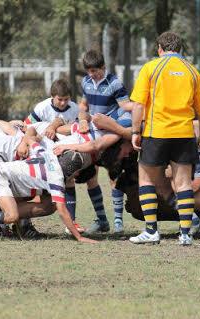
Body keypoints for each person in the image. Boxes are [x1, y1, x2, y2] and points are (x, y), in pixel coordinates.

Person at [129, 31, 200, 245]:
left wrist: (135, 131)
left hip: (157, 133)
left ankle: (151, 231)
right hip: (184, 134)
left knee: (146, 179)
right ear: (180, 49)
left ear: (159, 48)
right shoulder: (192, 71)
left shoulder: (150, 68)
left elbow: (138, 105)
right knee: (183, 183)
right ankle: (185, 234)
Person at [79, 49, 132, 234]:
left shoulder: (114, 83)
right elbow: (84, 105)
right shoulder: (85, 81)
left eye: (96, 71)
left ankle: (118, 221)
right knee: (90, 176)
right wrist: (83, 119)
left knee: (113, 177)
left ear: (103, 67)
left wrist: (142, 104)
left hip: (110, 134)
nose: (93, 75)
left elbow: (125, 106)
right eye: (90, 71)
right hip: (93, 132)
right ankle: (102, 220)